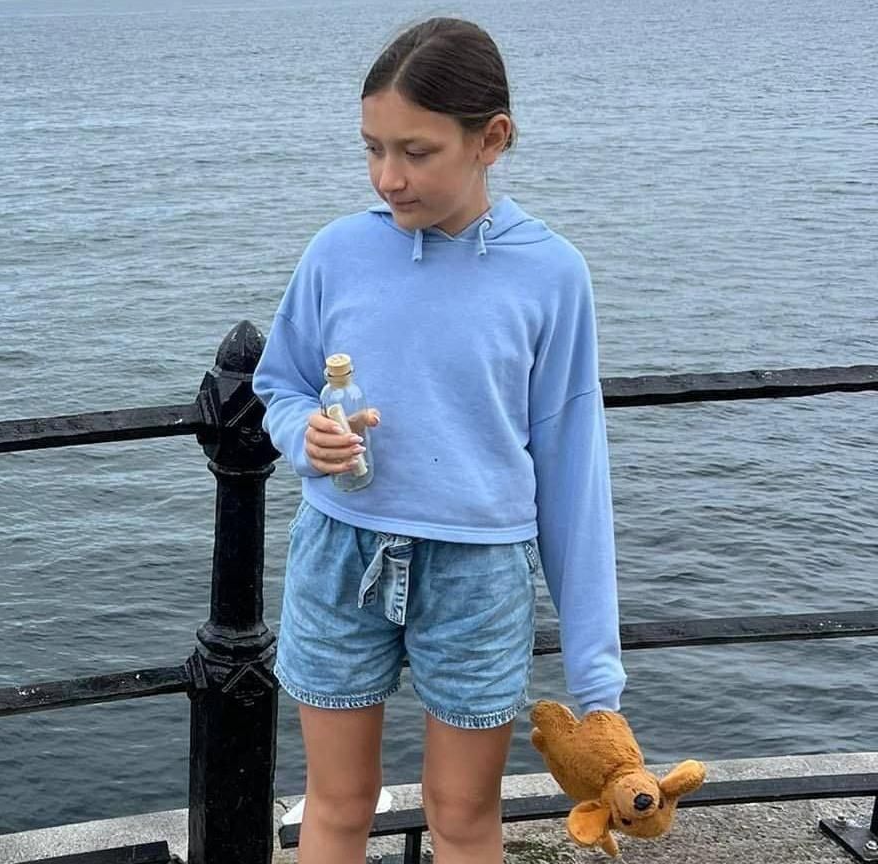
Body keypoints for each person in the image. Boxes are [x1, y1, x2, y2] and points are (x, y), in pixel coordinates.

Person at [252, 17, 625, 864]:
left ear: (491, 138)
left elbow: (572, 467)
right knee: (335, 809)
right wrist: (305, 438)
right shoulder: (336, 252)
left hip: (481, 569)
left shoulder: (552, 273)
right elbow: (280, 383)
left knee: (464, 820)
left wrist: (596, 679)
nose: (389, 177)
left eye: (416, 152)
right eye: (372, 149)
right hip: (338, 552)